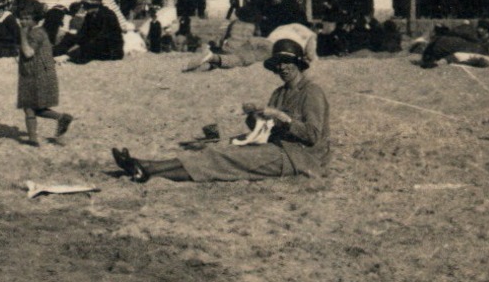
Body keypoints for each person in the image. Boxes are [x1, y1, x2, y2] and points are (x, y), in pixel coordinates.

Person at [113, 38, 329, 183]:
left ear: (299, 64)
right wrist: (255, 117)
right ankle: (146, 168)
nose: (282, 67)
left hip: (298, 158)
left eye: (287, 62)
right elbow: (265, 130)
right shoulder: (279, 92)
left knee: (222, 157)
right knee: (217, 155)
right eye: (278, 64)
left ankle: (147, 167)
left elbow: (312, 135)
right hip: (277, 149)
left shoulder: (311, 92)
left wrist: (281, 116)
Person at [15, 0, 73, 146]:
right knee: (35, 107)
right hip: (36, 73)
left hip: (37, 75)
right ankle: (58, 120)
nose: (23, 21)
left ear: (35, 18)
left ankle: (34, 138)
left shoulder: (35, 34)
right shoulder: (37, 32)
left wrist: (22, 34)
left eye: (27, 18)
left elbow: (28, 53)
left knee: (29, 106)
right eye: (21, 18)